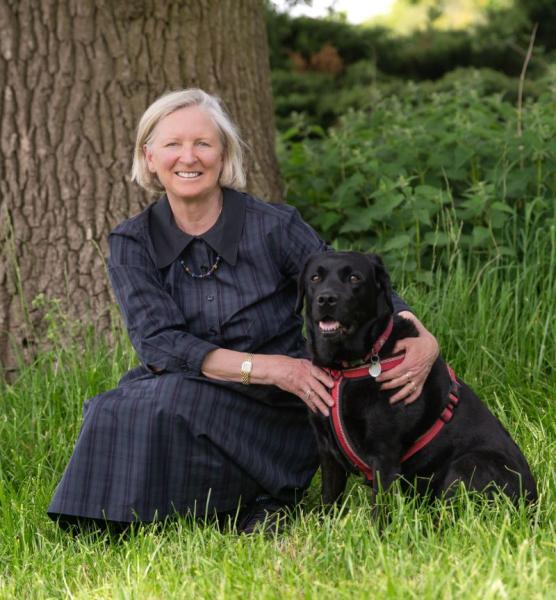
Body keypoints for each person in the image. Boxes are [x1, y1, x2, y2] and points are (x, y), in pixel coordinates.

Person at [48, 89, 439, 533]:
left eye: (203, 143)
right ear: (150, 157)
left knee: (170, 403)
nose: (188, 157)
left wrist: (421, 335)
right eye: (172, 144)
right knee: (113, 407)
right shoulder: (133, 242)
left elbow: (352, 280)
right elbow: (158, 343)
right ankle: (123, 523)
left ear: (224, 154)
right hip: (198, 382)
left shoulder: (274, 226)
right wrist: (268, 367)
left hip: (278, 407)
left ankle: (258, 502)